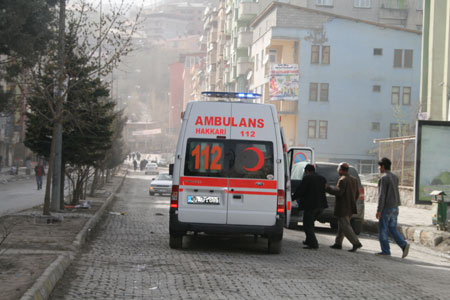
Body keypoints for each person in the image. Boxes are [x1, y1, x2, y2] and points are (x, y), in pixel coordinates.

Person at [376, 157, 410, 258]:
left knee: (383, 229)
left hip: (386, 208)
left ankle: (385, 251)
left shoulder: (384, 178)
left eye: (379, 166)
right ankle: (403, 245)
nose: (379, 168)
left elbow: (382, 195)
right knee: (393, 228)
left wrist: (379, 210)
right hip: (395, 207)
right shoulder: (395, 177)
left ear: (382, 166)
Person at [326, 162, 363, 252]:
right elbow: (357, 194)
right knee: (341, 225)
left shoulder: (342, 180)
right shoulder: (354, 179)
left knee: (345, 226)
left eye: (338, 169)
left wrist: (328, 188)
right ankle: (338, 243)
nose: (337, 170)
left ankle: (356, 243)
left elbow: (339, 192)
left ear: (341, 170)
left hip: (343, 207)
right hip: (350, 207)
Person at [293, 164, 328, 249]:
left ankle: (313, 244)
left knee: (307, 225)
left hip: (311, 206)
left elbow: (301, 190)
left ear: (307, 171)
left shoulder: (307, 178)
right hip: (321, 206)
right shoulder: (322, 178)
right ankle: (308, 240)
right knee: (310, 224)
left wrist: (292, 197)